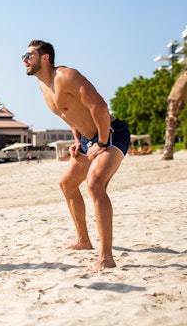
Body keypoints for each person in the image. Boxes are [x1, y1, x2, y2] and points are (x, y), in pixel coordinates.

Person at [23, 40, 130, 271]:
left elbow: (99, 106)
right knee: (68, 184)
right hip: (87, 139)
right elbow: (68, 114)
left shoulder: (66, 76)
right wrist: (77, 142)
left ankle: (106, 257)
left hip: (110, 133)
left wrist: (101, 142)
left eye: (29, 55)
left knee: (95, 184)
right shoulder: (44, 88)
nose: (24, 59)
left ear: (45, 58)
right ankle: (83, 240)